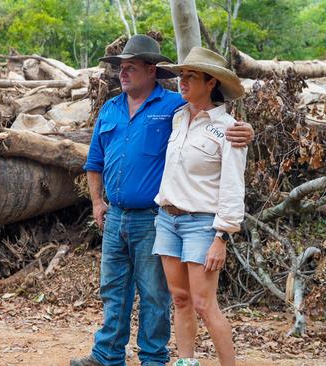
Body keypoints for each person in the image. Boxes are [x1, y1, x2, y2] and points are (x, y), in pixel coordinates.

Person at [71, 35, 253, 366]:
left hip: (156, 217)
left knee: (157, 295)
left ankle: (153, 359)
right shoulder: (116, 109)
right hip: (120, 217)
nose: (122, 74)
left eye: (130, 67)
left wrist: (246, 131)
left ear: (152, 70)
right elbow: (94, 161)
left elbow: (217, 120)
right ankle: (107, 355)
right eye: (120, 68)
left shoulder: (172, 106)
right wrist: (97, 202)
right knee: (116, 289)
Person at [151, 47, 247, 366]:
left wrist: (221, 237)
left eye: (191, 76)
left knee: (205, 304)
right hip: (167, 220)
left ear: (211, 83)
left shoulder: (228, 128)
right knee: (180, 299)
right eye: (182, 75)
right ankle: (186, 361)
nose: (183, 81)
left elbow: (233, 186)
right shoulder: (179, 117)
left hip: (202, 225)